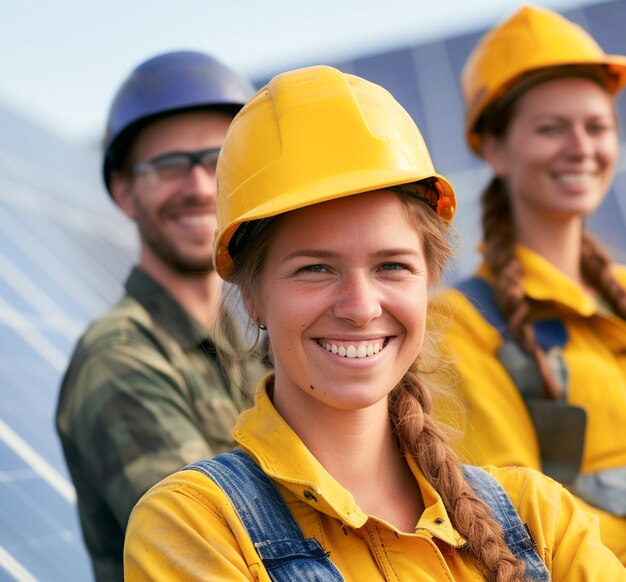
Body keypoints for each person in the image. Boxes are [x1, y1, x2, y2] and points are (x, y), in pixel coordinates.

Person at [123, 65, 626, 581]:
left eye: (392, 266)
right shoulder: (194, 526)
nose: (360, 307)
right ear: (251, 295)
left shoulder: (543, 518)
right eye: (315, 269)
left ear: (428, 281)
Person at [55, 50, 265, 581]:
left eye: (216, 162)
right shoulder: (120, 358)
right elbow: (208, 540)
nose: (197, 187)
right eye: (170, 166)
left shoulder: (263, 343)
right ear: (124, 191)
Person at [430, 5, 626, 564]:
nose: (581, 147)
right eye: (550, 128)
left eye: (597, 126)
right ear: (493, 147)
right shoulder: (462, 325)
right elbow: (517, 525)